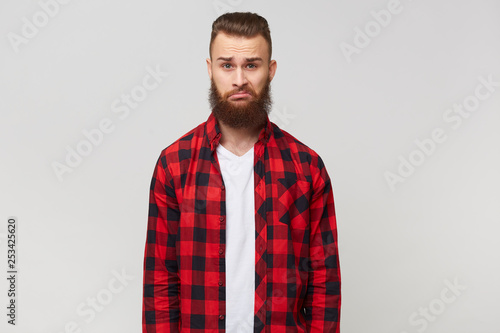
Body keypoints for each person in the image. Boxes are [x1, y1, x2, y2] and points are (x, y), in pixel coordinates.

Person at [142, 12, 341, 332]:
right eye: (226, 65)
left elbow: (324, 283)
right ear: (210, 70)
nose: (239, 80)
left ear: (270, 70)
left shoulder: (306, 169)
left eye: (251, 65)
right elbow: (161, 281)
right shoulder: (174, 165)